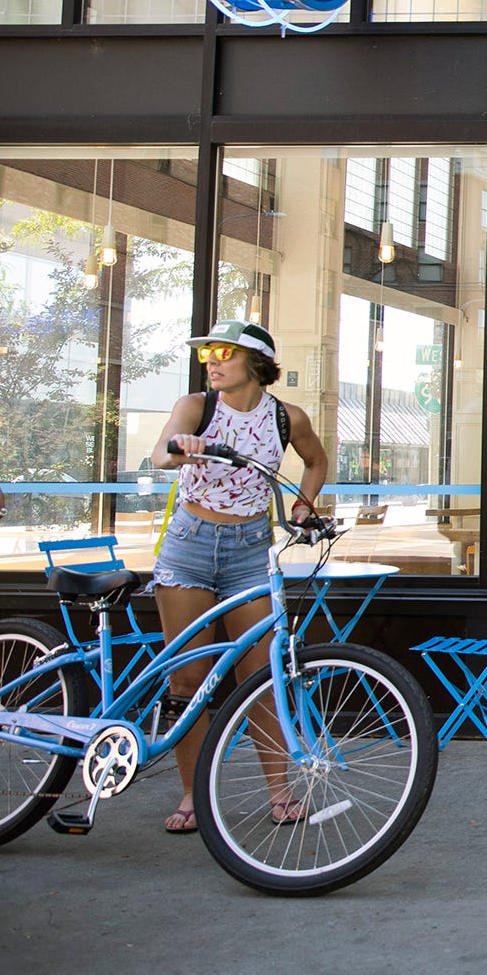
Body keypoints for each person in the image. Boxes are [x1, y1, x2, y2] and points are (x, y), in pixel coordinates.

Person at [149, 320, 328, 835]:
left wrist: (303, 504)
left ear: (255, 362)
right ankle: (191, 793)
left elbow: (316, 462)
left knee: (261, 678)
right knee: (187, 678)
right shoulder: (196, 407)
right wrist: (182, 448)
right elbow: (161, 455)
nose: (212, 360)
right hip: (189, 547)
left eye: (223, 352)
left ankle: (279, 790)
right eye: (208, 353)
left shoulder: (285, 418)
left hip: (250, 551)